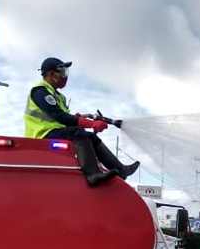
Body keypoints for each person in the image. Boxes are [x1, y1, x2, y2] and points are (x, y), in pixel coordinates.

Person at [24, 57, 139, 186]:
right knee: (78, 132)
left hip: (53, 131)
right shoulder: (40, 91)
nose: (65, 76)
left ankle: (121, 170)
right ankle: (93, 174)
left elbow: (63, 118)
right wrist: (91, 124)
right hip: (41, 135)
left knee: (90, 137)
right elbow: (60, 117)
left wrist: (77, 118)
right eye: (62, 72)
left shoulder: (57, 96)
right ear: (51, 74)